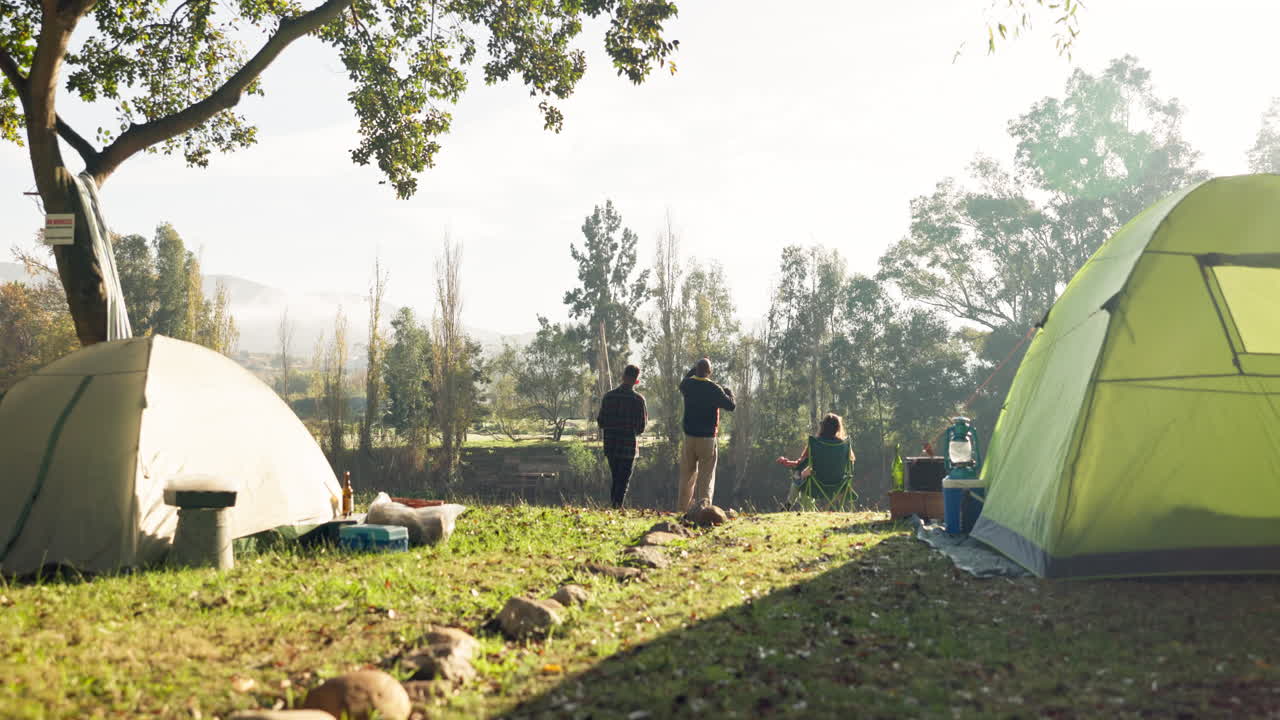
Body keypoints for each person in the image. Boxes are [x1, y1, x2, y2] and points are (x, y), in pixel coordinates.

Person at [677, 357, 735, 513]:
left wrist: (694, 369)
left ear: (696, 370)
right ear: (710, 372)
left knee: (686, 476)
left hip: (689, 438)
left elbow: (684, 380)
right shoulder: (714, 389)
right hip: (707, 439)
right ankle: (703, 511)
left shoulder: (687, 385)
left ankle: (682, 511)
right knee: (706, 478)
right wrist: (729, 392)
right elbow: (731, 406)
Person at [776, 413, 857, 509]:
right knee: (804, 476)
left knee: (799, 476)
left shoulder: (815, 443)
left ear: (822, 427)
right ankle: (808, 509)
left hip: (816, 484)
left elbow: (799, 464)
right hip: (838, 485)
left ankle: (789, 505)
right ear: (838, 428)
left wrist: (787, 462)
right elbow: (851, 464)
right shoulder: (844, 445)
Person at [596, 364, 647, 509]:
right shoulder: (638, 400)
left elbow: (601, 421)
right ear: (636, 381)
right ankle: (616, 507)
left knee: (616, 478)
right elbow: (642, 427)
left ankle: (614, 506)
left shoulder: (609, 397)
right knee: (623, 481)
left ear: (623, 376)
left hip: (611, 446)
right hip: (628, 447)